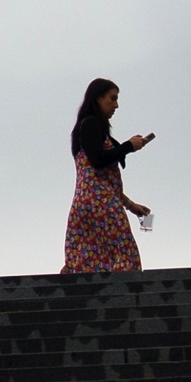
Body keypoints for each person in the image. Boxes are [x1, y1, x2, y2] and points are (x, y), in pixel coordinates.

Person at [63, 78, 154, 273]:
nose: (116, 105)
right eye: (112, 99)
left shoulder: (86, 127)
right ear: (98, 98)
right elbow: (98, 159)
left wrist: (130, 205)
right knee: (124, 254)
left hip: (84, 204)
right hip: (100, 205)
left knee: (86, 260)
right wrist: (128, 146)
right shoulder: (91, 123)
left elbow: (100, 177)